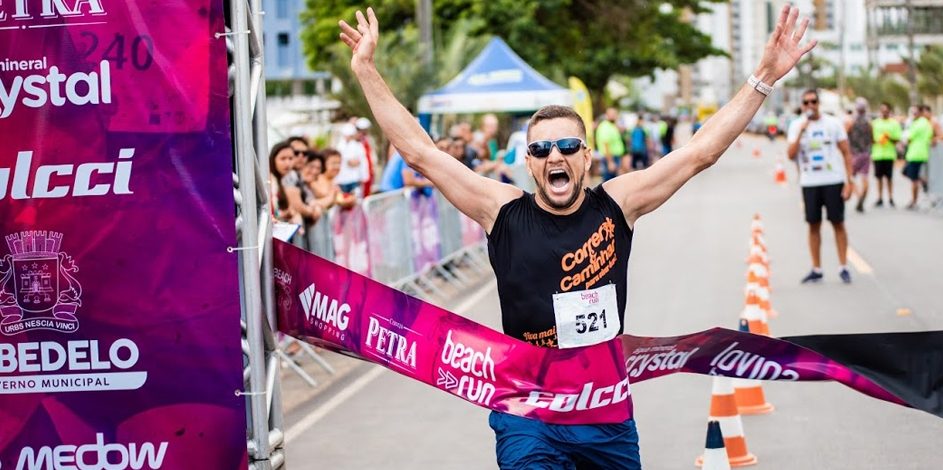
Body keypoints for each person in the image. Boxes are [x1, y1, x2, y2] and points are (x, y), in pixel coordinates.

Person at [338, 6, 815, 467]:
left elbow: (697, 153)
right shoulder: (500, 210)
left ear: (585, 156)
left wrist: (763, 78)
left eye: (567, 146)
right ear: (529, 163)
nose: (555, 156)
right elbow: (421, 153)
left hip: (603, 412)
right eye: (542, 149)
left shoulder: (617, 204)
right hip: (528, 413)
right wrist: (366, 71)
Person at [786, 89, 854, 284]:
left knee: (837, 223)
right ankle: (817, 268)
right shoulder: (797, 125)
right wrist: (801, 131)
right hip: (810, 182)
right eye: (806, 103)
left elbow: (846, 153)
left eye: (813, 102)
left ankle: (843, 267)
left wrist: (850, 181)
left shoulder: (833, 124)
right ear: (802, 105)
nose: (810, 106)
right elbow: (791, 155)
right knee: (813, 225)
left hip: (833, 181)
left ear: (819, 103)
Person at [903, 105, 934, 209]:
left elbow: (909, 138)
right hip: (923, 153)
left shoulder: (917, 124)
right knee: (909, 173)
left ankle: (914, 201)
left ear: (920, 113)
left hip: (915, 154)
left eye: (915, 113)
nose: (913, 115)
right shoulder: (927, 124)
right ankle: (923, 182)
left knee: (913, 179)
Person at [871, 102, 901, 208]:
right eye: (882, 111)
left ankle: (891, 197)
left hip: (889, 154)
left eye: (886, 111)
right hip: (878, 154)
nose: (884, 113)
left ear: (889, 111)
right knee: (879, 178)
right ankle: (879, 198)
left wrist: (889, 138)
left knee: (889, 178)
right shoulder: (875, 123)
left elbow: (897, 139)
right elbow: (870, 138)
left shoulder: (894, 123)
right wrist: (876, 141)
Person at [845, 98, 873, 213]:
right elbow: (873, 139)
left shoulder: (851, 122)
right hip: (866, 154)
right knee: (865, 178)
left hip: (854, 154)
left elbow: (844, 138)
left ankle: (859, 195)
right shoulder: (869, 123)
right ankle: (862, 196)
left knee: (851, 177)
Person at [595, 108, 625, 180]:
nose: (614, 116)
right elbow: (606, 144)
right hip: (609, 158)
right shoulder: (605, 126)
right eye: (612, 114)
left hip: (614, 157)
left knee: (613, 182)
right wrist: (610, 162)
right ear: (607, 115)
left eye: (615, 114)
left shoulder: (612, 125)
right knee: (608, 182)